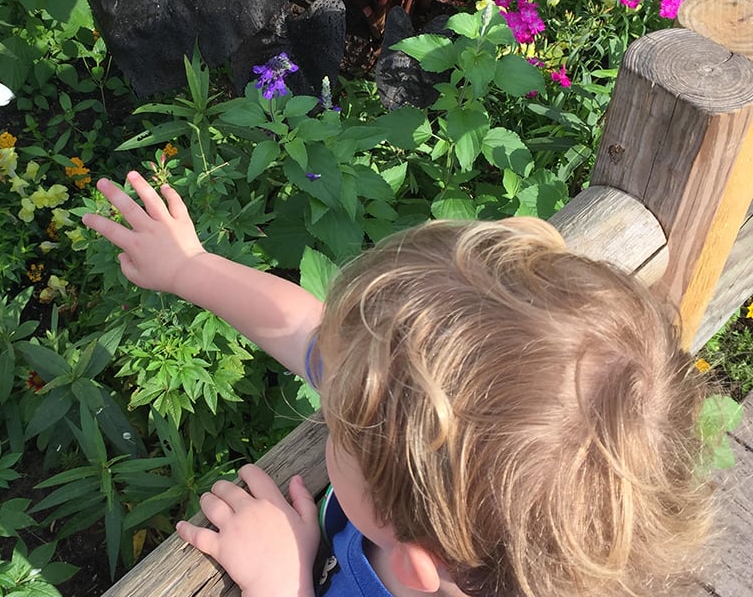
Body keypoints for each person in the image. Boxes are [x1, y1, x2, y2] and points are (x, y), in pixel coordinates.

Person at [82, 170, 713, 597]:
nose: (329, 402)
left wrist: (284, 581)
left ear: (413, 567)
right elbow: (310, 331)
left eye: (337, 429)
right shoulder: (445, 507)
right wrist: (190, 268)